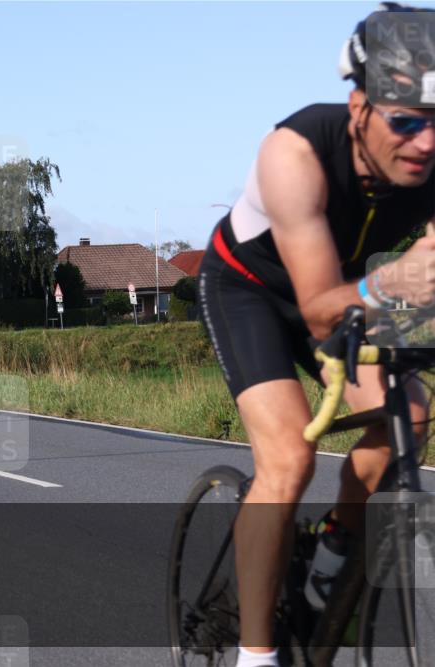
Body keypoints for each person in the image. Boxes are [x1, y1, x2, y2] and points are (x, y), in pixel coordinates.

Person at [197, 4, 435, 665]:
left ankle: (332, 550)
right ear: (358, 106)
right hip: (253, 290)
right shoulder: (294, 151)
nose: (424, 143)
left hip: (349, 288)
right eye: (406, 119)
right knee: (289, 459)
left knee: (408, 416)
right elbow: (322, 311)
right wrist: (402, 279)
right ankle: (255, 653)